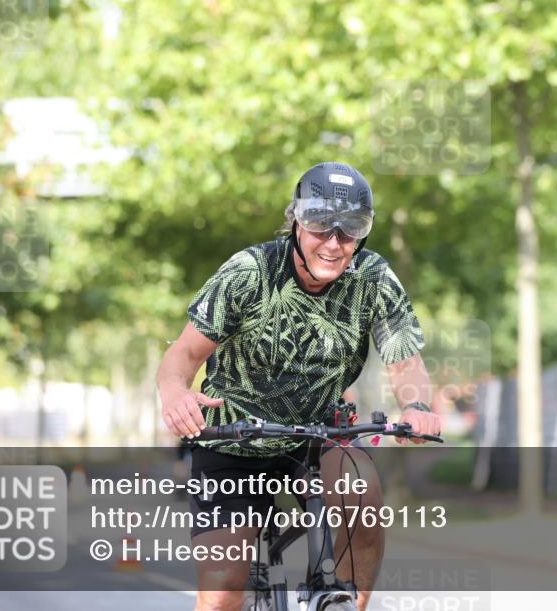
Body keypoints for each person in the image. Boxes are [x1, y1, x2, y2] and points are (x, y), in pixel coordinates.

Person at [156, 161, 441, 611]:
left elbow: (405, 362)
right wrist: (174, 394)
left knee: (361, 491)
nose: (333, 244)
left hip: (320, 433)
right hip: (234, 440)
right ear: (296, 222)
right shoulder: (249, 271)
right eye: (320, 228)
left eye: (349, 233)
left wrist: (418, 404)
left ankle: (347, 603)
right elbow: (183, 356)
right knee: (222, 587)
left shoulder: (373, 278)